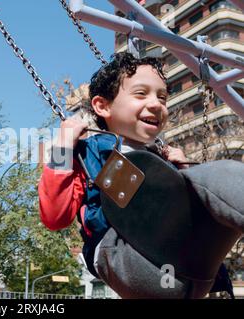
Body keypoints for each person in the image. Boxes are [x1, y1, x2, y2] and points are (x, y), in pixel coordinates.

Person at [38, 52, 244, 298]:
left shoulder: (164, 158)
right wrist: (62, 148)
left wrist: (187, 176)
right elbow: (54, 217)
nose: (157, 104)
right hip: (131, 258)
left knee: (224, 173)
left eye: (163, 97)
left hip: (194, 271)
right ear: (102, 106)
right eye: (140, 93)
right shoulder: (87, 153)